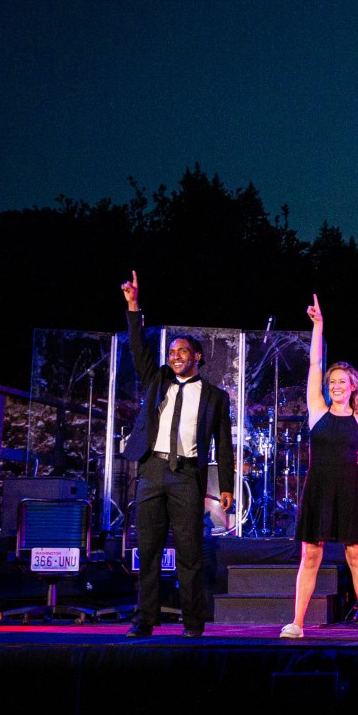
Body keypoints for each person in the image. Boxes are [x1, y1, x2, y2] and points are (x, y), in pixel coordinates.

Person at [119, 270, 235, 638]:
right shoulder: (158, 381)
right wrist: (134, 307)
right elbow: (139, 349)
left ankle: (192, 623)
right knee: (148, 550)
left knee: (190, 553)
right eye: (172, 352)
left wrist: (227, 485)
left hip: (187, 476)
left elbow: (224, 443)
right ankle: (145, 620)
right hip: (152, 470)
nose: (176, 356)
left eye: (182, 351)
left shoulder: (215, 396)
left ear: (197, 356)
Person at [280, 295, 358, 640]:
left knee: (356, 556)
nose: (336, 386)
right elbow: (314, 364)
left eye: (342, 382)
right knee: (311, 554)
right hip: (320, 486)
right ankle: (297, 622)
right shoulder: (317, 409)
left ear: (352, 387)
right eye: (332, 382)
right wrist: (318, 326)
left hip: (351, 489)